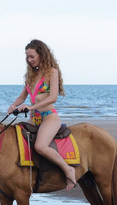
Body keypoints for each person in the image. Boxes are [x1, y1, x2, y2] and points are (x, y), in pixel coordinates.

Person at [7, 39, 77, 191]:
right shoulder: (30, 76)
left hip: (48, 117)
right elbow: (22, 97)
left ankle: (68, 170)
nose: (29, 60)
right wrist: (13, 105)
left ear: (41, 54)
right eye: (27, 57)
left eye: (32, 56)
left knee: (40, 146)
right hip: (34, 119)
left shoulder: (51, 72)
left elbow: (53, 98)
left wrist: (32, 106)